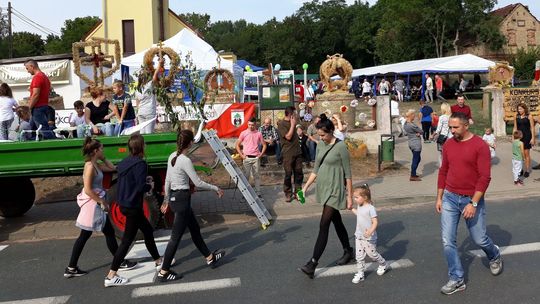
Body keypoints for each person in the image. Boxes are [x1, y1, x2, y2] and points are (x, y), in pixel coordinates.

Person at [436, 112, 502, 295]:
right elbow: (443, 171)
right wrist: (439, 196)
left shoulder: (480, 146)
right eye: (450, 127)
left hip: (471, 199)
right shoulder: (448, 144)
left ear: (466, 126)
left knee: (479, 239)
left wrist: (473, 203)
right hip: (450, 197)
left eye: (455, 127)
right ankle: (457, 279)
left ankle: (494, 255)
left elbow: (484, 178)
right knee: (447, 240)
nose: (451, 130)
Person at [158, 129, 226, 282]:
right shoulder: (185, 160)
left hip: (177, 199)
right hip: (182, 200)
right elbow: (198, 182)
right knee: (175, 238)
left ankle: (210, 257)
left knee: (195, 230)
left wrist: (166, 200)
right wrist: (216, 188)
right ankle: (163, 271)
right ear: (190, 143)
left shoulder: (172, 156)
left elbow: (167, 181)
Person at [65, 137, 137, 278]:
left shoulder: (95, 164)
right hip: (92, 206)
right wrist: (101, 202)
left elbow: (112, 168)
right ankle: (118, 262)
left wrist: (103, 158)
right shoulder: (90, 167)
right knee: (90, 234)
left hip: (95, 204)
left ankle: (72, 267)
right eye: (102, 149)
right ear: (96, 150)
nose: (103, 151)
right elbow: (87, 189)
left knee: (101, 233)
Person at [299, 114, 353, 279]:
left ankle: (313, 263)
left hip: (336, 189)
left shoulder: (341, 147)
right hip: (324, 187)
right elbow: (316, 169)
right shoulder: (321, 144)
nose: (320, 138)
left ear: (331, 131)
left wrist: (350, 196)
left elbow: (348, 174)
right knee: (336, 221)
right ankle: (348, 250)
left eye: (322, 134)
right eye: (319, 135)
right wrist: (305, 187)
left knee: (324, 224)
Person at [105, 134, 162, 287]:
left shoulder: (124, 162)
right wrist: (149, 186)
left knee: (148, 231)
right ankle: (111, 275)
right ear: (141, 147)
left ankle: (158, 261)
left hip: (124, 204)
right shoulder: (140, 164)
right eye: (144, 144)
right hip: (133, 207)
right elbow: (139, 187)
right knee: (126, 242)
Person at [350, 184, 387, 283]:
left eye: (357, 197)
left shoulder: (371, 208)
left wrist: (370, 231)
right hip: (359, 235)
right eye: (354, 197)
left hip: (369, 237)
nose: (355, 199)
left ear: (365, 197)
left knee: (372, 255)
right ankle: (360, 273)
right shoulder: (360, 206)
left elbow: (375, 222)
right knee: (359, 256)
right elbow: (359, 214)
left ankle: (383, 264)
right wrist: (351, 209)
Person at [277, 106, 304, 202]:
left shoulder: (295, 122)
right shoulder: (281, 124)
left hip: (297, 152)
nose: (296, 115)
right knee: (288, 174)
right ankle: (288, 193)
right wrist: (292, 125)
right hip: (288, 153)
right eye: (295, 113)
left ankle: (298, 194)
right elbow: (288, 137)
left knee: (299, 174)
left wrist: (299, 129)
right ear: (290, 114)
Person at [24, 59, 54, 139]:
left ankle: (57, 146)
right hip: (43, 106)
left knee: (44, 131)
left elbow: (35, 95)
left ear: (32, 66)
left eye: (27, 68)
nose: (27, 71)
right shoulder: (44, 76)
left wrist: (28, 108)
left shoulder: (37, 77)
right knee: (30, 130)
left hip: (38, 108)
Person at [236, 118, 266, 196]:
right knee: (246, 176)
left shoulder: (259, 133)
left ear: (255, 125)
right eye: (249, 124)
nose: (251, 126)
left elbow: (264, 145)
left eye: (252, 125)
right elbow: (237, 145)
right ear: (247, 124)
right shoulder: (243, 133)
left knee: (257, 176)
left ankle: (258, 193)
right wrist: (242, 155)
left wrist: (261, 154)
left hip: (256, 158)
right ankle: (245, 194)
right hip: (246, 158)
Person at [135, 57, 163, 134]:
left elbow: (137, 103)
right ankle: (146, 146)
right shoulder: (149, 85)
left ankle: (140, 145)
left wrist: (138, 112)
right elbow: (155, 75)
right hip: (149, 111)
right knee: (149, 132)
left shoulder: (137, 89)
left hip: (141, 112)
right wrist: (160, 64)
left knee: (142, 132)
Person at [513, 103, 535, 177]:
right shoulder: (516, 116)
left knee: (526, 154)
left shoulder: (529, 116)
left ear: (524, 109)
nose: (519, 110)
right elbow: (515, 127)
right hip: (518, 138)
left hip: (527, 137)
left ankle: (527, 170)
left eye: (521, 109)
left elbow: (532, 128)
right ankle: (520, 169)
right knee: (519, 155)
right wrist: (513, 138)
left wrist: (533, 138)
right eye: (518, 109)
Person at [403, 109, 423, 181]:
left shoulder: (405, 124)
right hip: (416, 144)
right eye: (414, 114)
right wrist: (418, 133)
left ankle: (413, 173)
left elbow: (405, 133)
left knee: (417, 158)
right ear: (411, 115)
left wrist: (414, 133)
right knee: (415, 159)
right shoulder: (412, 125)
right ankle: (413, 175)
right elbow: (421, 131)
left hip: (411, 143)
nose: (414, 116)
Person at [431, 102, 452, 167]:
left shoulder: (442, 117)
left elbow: (438, 129)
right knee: (450, 153)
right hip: (451, 137)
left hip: (443, 137)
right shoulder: (452, 116)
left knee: (441, 153)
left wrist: (433, 135)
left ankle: (442, 167)